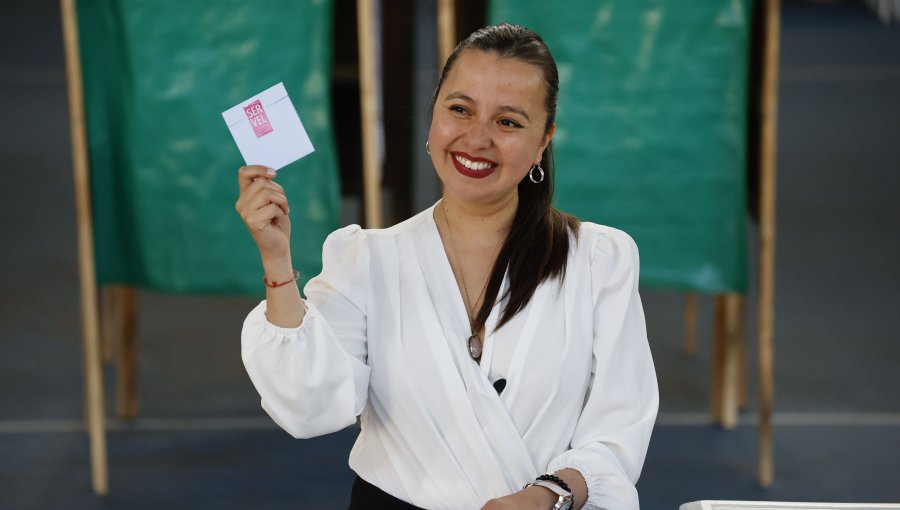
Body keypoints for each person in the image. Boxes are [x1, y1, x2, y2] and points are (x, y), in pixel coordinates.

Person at [235, 23, 658, 510]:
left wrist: (548, 495)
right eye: (459, 110)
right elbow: (311, 409)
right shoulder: (365, 258)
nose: (476, 139)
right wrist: (277, 260)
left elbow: (618, 433)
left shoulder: (599, 260)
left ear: (544, 139)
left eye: (508, 122)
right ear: (432, 117)